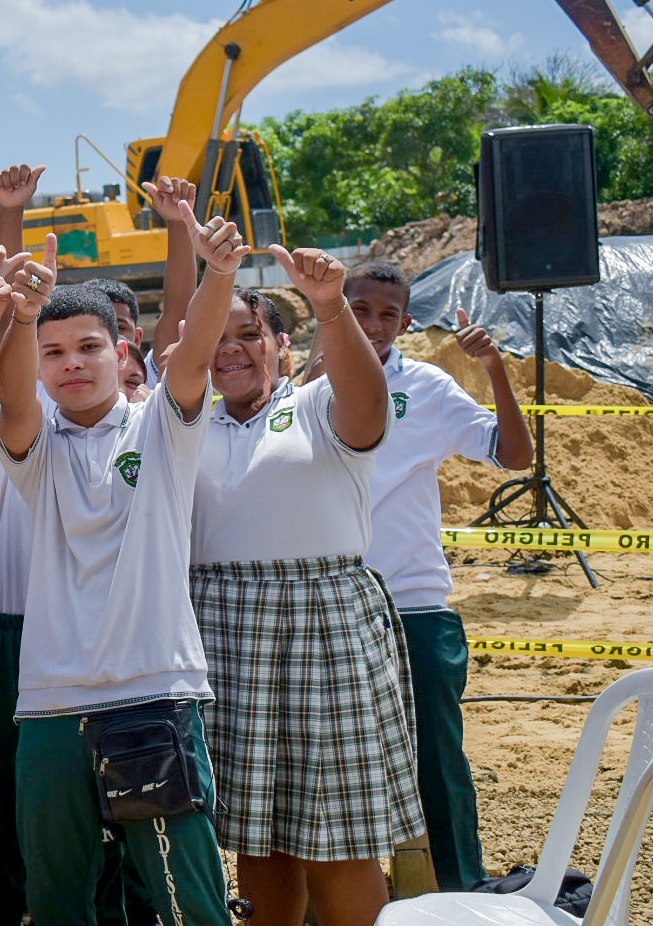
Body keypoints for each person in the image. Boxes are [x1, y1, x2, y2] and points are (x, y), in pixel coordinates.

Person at [0, 181, 246, 926]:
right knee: (60, 899)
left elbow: (195, 351)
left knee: (188, 903)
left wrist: (218, 270)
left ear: (124, 349)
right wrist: (21, 315)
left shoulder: (161, 430)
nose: (72, 364)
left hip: (153, 693)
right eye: (54, 353)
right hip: (49, 704)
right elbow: (10, 405)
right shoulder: (37, 448)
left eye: (89, 347)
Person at [186, 237, 422, 926]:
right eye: (218, 337)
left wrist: (331, 306)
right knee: (258, 839)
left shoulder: (316, 406)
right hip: (225, 633)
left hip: (322, 629)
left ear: (283, 347)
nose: (232, 349)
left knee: (339, 840)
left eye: (250, 334)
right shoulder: (186, 423)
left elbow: (368, 402)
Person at [309, 260, 531, 892]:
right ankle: (338, 898)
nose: (372, 323)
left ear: (405, 323)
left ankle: (458, 890)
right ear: (334, 306)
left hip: (413, 606)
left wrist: (495, 370)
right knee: (328, 763)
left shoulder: (428, 388)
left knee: (435, 758)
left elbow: (514, 456)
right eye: (360, 308)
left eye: (387, 314)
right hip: (328, 607)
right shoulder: (299, 387)